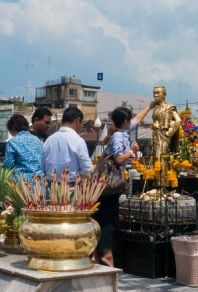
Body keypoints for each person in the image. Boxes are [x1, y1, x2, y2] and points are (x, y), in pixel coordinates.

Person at [92, 104, 152, 267]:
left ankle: (97, 255)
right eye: (129, 119)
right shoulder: (118, 136)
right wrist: (132, 150)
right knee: (107, 220)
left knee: (106, 218)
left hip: (112, 186)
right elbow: (118, 159)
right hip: (110, 187)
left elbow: (137, 119)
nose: (132, 121)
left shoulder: (123, 130)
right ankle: (105, 255)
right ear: (125, 121)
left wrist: (151, 106)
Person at [42, 106, 92, 183]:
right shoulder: (78, 141)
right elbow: (87, 169)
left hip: (50, 187)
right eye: (81, 123)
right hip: (70, 187)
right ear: (77, 120)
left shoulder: (49, 140)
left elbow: (43, 165)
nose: (81, 126)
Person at [3, 113, 44, 181]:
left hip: (23, 183)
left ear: (12, 129)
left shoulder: (12, 142)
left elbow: (8, 165)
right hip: (40, 181)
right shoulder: (37, 139)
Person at [150, 86, 181, 160]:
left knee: (163, 156)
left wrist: (169, 133)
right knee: (155, 157)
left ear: (164, 94)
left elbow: (178, 120)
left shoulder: (169, 107)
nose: (155, 95)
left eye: (157, 93)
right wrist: (153, 126)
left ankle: (165, 171)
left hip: (164, 136)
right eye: (154, 93)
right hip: (155, 136)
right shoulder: (156, 108)